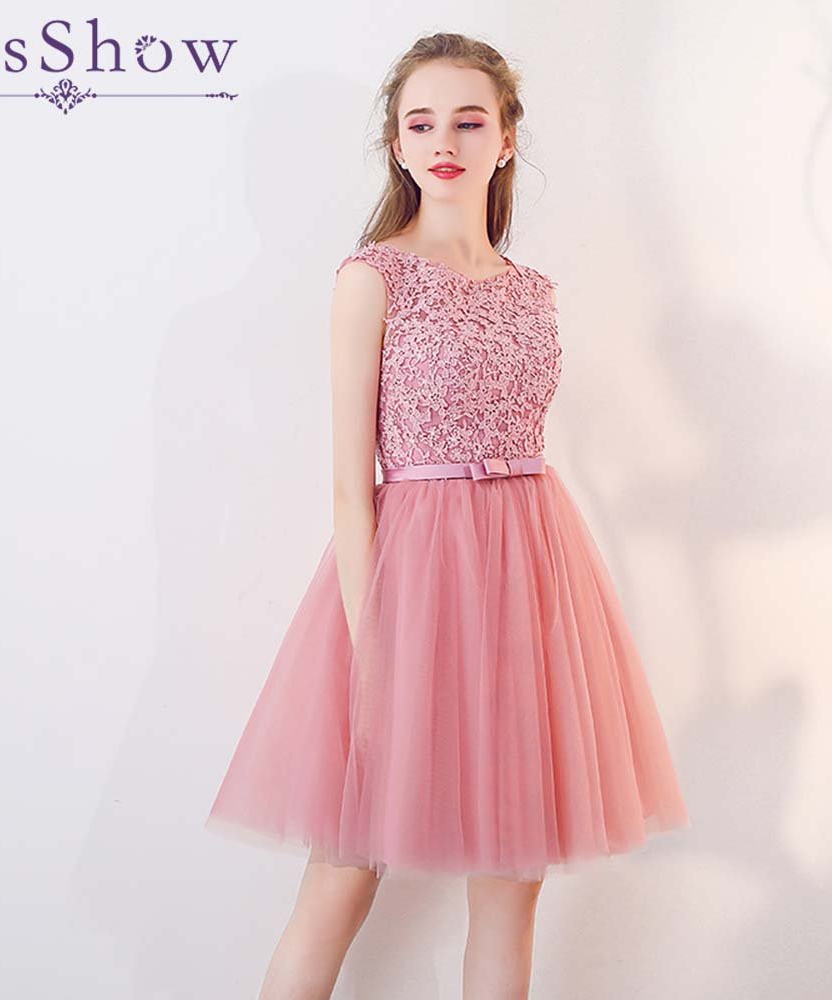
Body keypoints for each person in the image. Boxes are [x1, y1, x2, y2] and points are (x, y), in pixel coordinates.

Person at [205, 31, 690, 1000]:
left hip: (531, 577)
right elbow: (350, 486)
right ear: (396, 142)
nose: (444, 142)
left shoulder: (533, 293)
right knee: (345, 869)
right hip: (412, 581)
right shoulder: (370, 278)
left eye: (468, 122)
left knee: (512, 882)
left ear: (507, 138)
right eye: (420, 123)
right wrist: (371, 646)